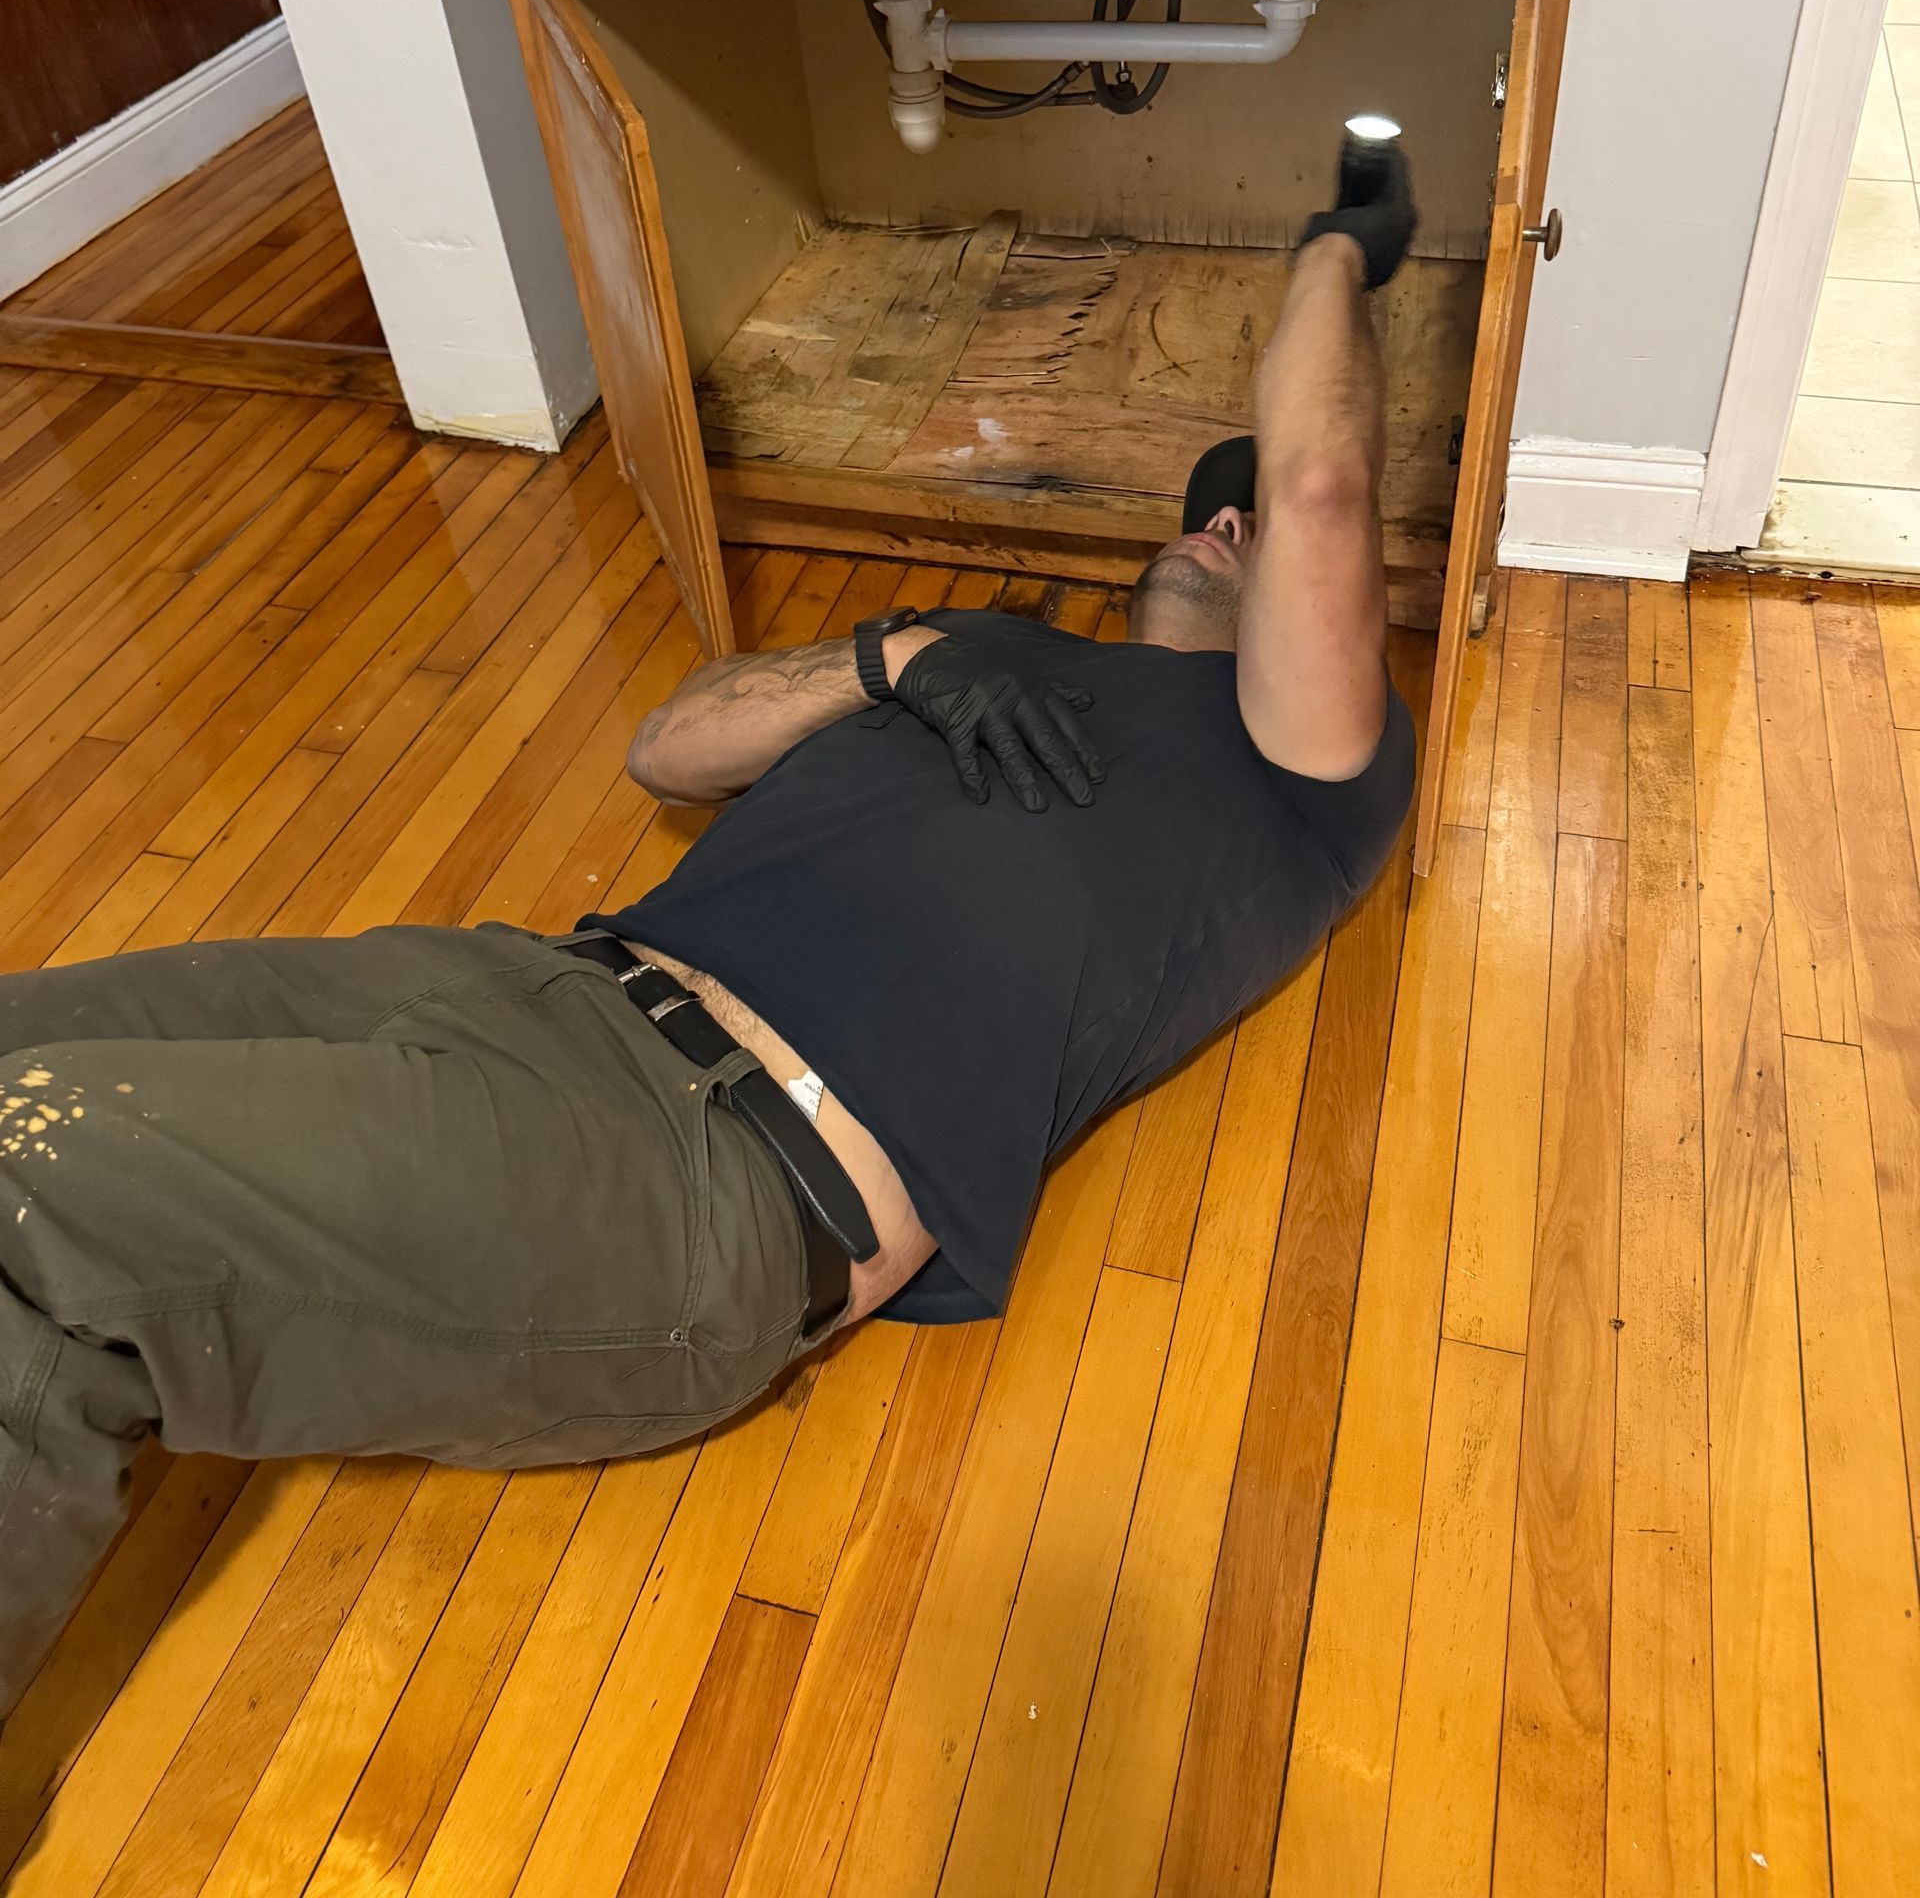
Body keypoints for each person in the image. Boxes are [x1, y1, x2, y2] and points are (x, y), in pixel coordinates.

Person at [0, 137, 1420, 1716]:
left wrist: (1336, 249)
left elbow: (1314, 479)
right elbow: (669, 748)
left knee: (34, 1185)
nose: (1224, 525)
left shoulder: (1306, 779)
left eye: (1254, 535)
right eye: (1203, 509)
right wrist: (902, 658)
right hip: (535, 989)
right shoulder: (999, 662)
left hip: (713, 1176)